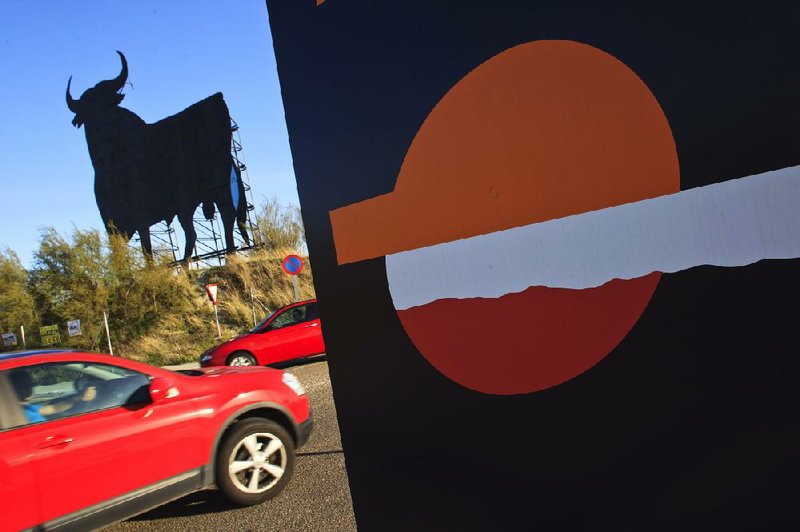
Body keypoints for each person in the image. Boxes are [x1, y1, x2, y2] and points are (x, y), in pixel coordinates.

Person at [9, 369, 97, 424]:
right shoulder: (12, 414)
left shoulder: (27, 408)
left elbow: (55, 408)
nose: (31, 387)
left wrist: (81, 397)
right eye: (27, 385)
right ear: (15, 388)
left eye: (31, 384)